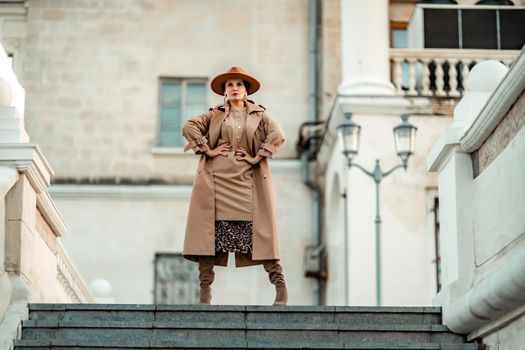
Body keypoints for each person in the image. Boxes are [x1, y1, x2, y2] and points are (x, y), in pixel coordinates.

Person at [181, 66, 288, 306]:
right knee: (210, 237)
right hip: (215, 184)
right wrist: (207, 149)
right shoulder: (215, 114)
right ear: (225, 92)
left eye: (238, 84)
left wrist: (256, 156)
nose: (234, 88)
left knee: (260, 234)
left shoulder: (260, 115)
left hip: (247, 185)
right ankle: (204, 293)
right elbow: (189, 126)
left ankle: (280, 289)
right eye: (229, 85)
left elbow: (278, 134)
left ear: (246, 90)